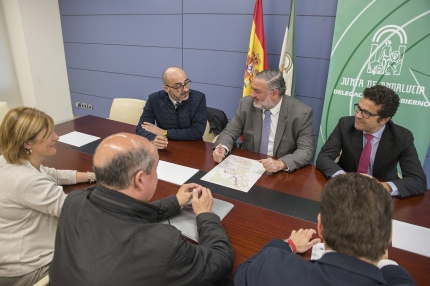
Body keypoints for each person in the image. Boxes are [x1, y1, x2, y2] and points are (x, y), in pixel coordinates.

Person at [49, 133, 233, 286]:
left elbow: (121, 212)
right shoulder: (162, 244)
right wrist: (206, 215)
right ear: (140, 180)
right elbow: (220, 260)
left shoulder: (75, 201)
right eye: (155, 169)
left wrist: (175, 202)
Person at [234, 173, 417, 285]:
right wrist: (385, 263)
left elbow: (241, 275)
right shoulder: (397, 279)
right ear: (389, 236)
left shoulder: (273, 266)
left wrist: (289, 244)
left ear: (320, 226)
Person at [0, 107, 95, 285]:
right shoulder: (28, 181)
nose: (56, 137)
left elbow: (51, 174)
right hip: (29, 269)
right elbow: (77, 213)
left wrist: (92, 176)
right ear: (27, 143)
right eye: (49, 134)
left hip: (8, 256)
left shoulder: (7, 160)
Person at [316, 85, 426, 198]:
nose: (357, 115)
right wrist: (345, 178)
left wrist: (381, 187)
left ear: (384, 120)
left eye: (366, 113)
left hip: (378, 197)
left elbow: (418, 180)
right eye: (359, 108)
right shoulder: (345, 125)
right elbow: (323, 157)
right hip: (345, 190)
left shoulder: (402, 137)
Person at [213, 69, 314, 173]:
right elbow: (230, 132)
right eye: (253, 89)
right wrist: (222, 149)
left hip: (280, 171)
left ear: (274, 93)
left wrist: (281, 163)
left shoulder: (301, 113)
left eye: (257, 91)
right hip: (248, 165)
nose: (252, 95)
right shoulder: (246, 104)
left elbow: (306, 150)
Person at [136, 66, 207, 149]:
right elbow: (141, 127)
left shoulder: (199, 98)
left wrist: (165, 133)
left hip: (193, 148)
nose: (185, 89)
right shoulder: (154, 99)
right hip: (166, 147)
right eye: (178, 86)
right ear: (166, 89)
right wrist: (153, 139)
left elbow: (197, 132)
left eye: (186, 83)